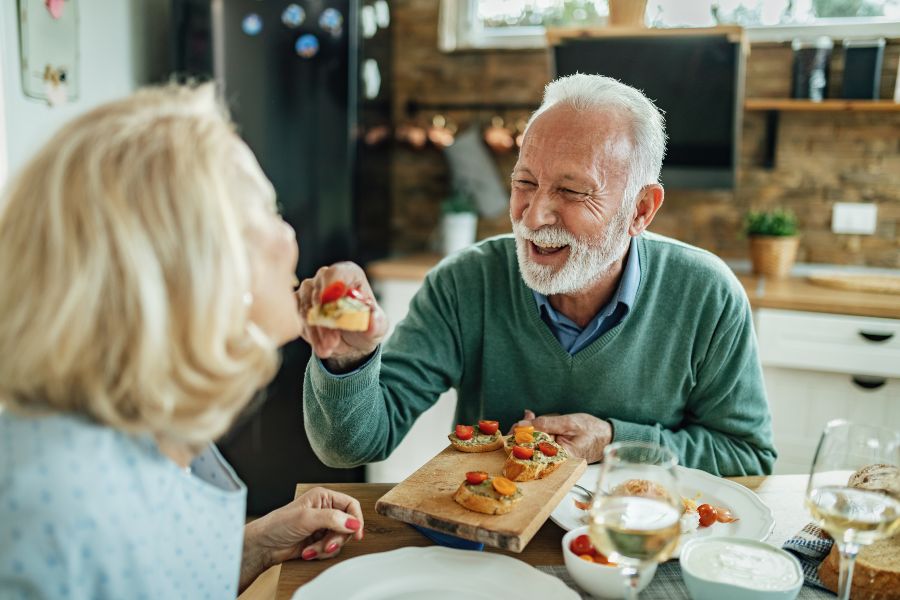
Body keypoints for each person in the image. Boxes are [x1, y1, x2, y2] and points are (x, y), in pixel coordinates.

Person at [298, 74, 776, 477]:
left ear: (641, 209)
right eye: (524, 182)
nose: (534, 215)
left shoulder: (706, 294)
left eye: (571, 190)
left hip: (633, 549)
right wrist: (348, 363)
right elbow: (351, 447)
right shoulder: (464, 284)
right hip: (490, 547)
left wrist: (612, 442)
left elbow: (748, 459)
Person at [0, 85, 363, 599]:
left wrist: (255, 548)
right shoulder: (46, 517)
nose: (290, 236)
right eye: (269, 209)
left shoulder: (148, 426)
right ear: (199, 269)